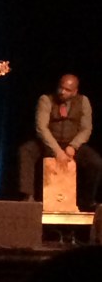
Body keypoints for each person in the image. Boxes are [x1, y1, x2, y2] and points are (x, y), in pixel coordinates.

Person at [18, 73, 102, 211]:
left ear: (75, 91)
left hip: (72, 143)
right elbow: (41, 128)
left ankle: (87, 200)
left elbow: (86, 128)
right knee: (26, 150)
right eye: (61, 88)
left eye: (68, 90)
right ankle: (28, 196)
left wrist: (73, 146)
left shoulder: (83, 101)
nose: (62, 92)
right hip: (50, 142)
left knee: (96, 163)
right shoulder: (46, 100)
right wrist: (57, 151)